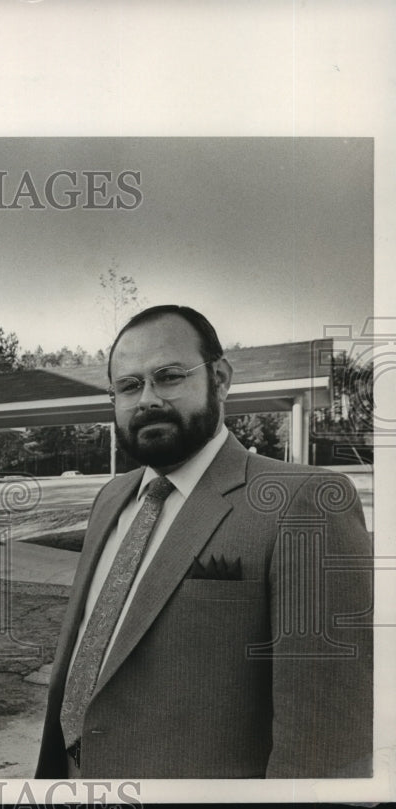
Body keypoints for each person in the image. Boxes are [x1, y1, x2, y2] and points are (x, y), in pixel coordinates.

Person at [35, 305, 373, 779]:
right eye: (129, 386)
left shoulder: (307, 503)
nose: (147, 399)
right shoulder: (110, 498)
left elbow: (326, 745)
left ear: (220, 378)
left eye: (169, 376)